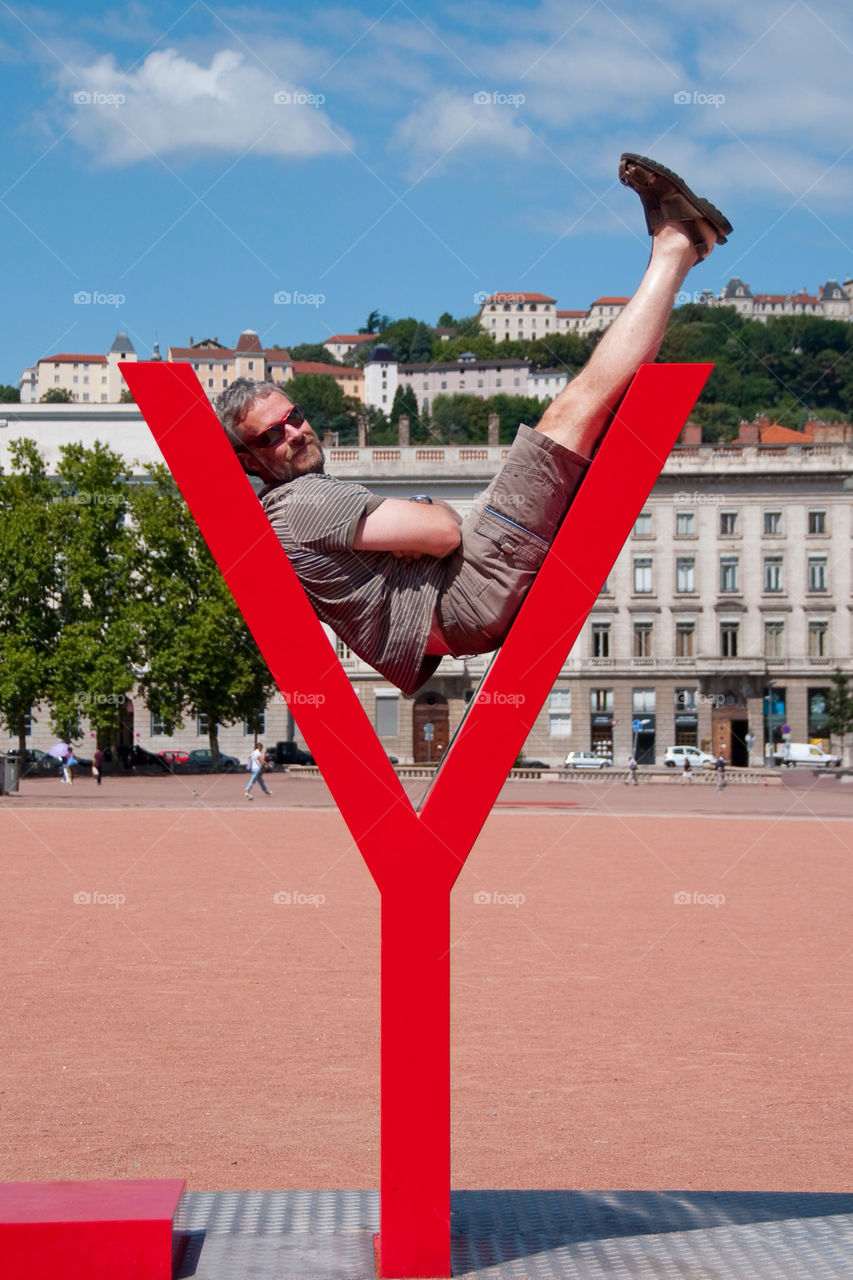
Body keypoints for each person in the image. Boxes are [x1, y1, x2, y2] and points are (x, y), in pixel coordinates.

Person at [215, 154, 732, 695]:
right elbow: (442, 532)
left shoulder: (280, 517)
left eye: (292, 417)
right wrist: (424, 522)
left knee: (579, 429)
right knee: (571, 410)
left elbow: (434, 538)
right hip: (465, 594)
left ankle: (682, 250)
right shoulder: (301, 502)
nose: (295, 432)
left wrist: (415, 535)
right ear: (249, 460)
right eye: (271, 435)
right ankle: (676, 246)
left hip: (459, 603)